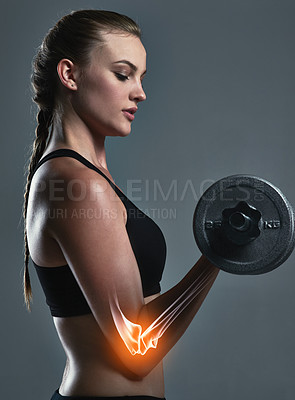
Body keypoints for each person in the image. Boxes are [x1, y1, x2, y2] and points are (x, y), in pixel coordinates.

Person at [23, 9, 219, 400]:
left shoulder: (83, 177)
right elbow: (135, 350)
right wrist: (216, 256)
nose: (140, 92)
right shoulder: (75, 182)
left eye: (141, 78)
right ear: (70, 75)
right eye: (122, 74)